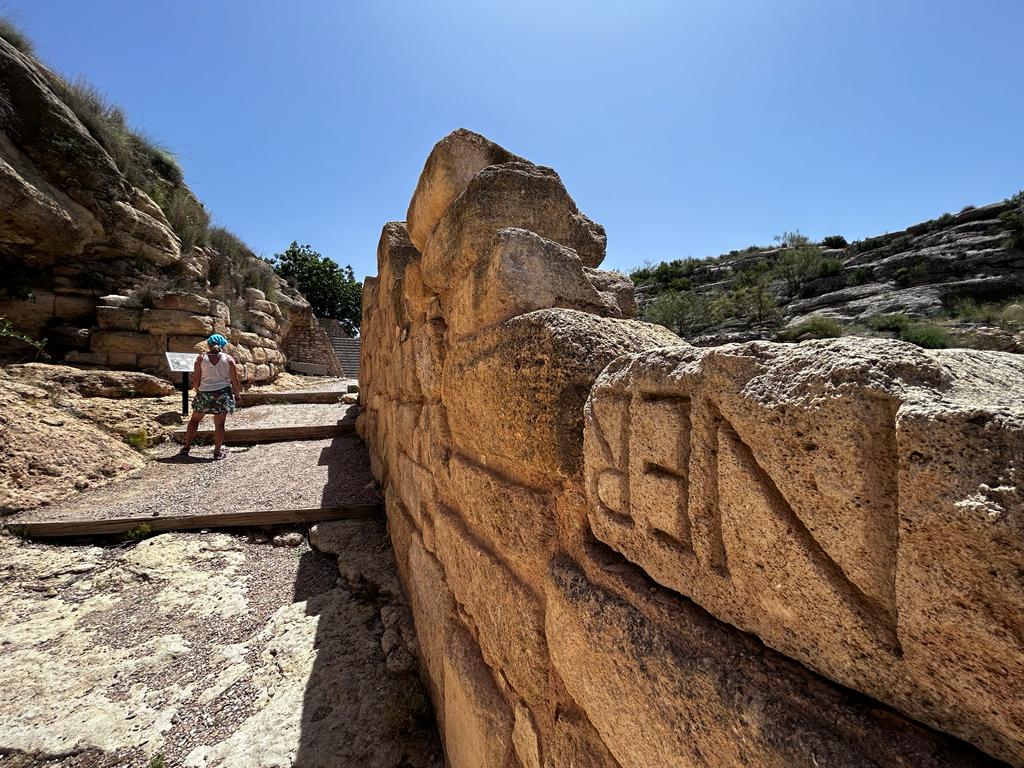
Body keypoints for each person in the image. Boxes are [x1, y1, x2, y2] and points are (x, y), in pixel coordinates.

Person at [179, 334, 242, 460]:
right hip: (222, 394)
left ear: (208, 344)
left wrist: (198, 391)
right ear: (223, 345)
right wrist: (237, 393)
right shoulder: (229, 359)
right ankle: (217, 453)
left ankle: (186, 447)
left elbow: (196, 379)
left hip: (205, 393)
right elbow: (234, 379)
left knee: (194, 420)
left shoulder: (201, 358)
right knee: (219, 424)